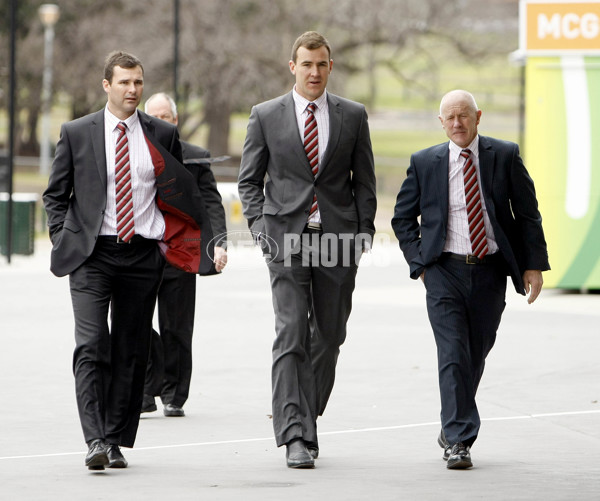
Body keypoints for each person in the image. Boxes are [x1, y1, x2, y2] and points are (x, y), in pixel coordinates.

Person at [43, 51, 215, 470]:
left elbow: (178, 193)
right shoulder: (78, 132)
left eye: (138, 82)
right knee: (91, 344)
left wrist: (180, 245)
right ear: (107, 85)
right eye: (124, 82)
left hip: (142, 256)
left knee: (130, 349)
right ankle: (96, 438)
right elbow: (55, 196)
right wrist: (66, 239)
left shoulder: (161, 133)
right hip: (92, 255)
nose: (132, 90)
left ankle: (116, 438)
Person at [238, 31, 377, 469]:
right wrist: (262, 230)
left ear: (330, 67)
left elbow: (365, 182)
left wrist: (362, 234)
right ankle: (295, 433)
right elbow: (249, 182)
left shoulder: (352, 116)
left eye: (321, 64)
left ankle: (304, 415)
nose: (314, 72)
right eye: (306, 64)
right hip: (286, 239)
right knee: (292, 330)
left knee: (330, 336)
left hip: (338, 242)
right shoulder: (265, 115)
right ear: (292, 66)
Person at [391, 89, 550, 469]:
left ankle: (453, 423)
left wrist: (533, 265)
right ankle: (459, 440)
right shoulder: (425, 162)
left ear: (478, 116)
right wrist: (421, 264)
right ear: (441, 122)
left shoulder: (505, 155)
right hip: (443, 270)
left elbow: (528, 214)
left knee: (474, 353)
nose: (458, 123)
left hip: (491, 269)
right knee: (452, 353)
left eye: (464, 115)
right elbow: (402, 218)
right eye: (450, 117)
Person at [142, 92, 228, 417]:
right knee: (135, 321)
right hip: (141, 251)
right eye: (153, 117)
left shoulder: (195, 156)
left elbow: (210, 203)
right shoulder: (135, 156)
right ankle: (145, 390)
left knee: (177, 326)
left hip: (182, 251)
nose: (160, 123)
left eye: (166, 117)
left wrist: (218, 243)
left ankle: (174, 394)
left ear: (175, 121)